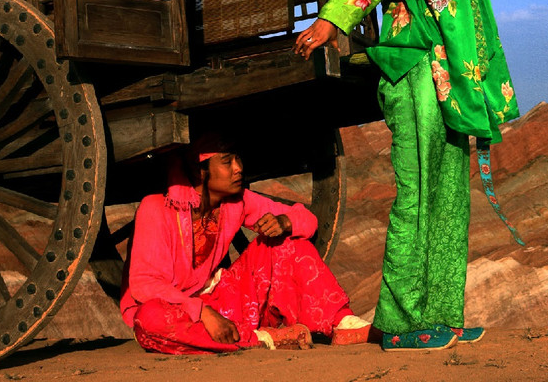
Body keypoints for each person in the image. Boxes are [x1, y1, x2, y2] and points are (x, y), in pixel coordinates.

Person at [293, 0, 522, 351]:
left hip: (449, 75)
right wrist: (334, 19)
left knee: (449, 198)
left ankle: (441, 313)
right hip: (415, 62)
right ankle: (397, 323)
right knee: (416, 193)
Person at [119, 136, 370, 354]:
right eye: (227, 162)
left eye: (237, 159)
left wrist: (284, 222)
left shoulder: (237, 202)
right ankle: (261, 340)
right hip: (179, 312)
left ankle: (342, 323)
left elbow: (307, 219)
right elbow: (144, 285)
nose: (238, 168)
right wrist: (202, 313)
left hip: (222, 303)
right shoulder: (155, 208)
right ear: (200, 171)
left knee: (287, 242)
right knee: (149, 319)